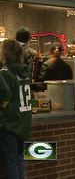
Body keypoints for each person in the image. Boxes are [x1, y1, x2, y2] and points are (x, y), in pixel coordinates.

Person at [0, 39, 32, 179]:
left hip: (10, 123)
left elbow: (4, 100)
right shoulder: (25, 71)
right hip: (24, 123)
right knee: (20, 161)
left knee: (10, 163)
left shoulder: (4, 73)